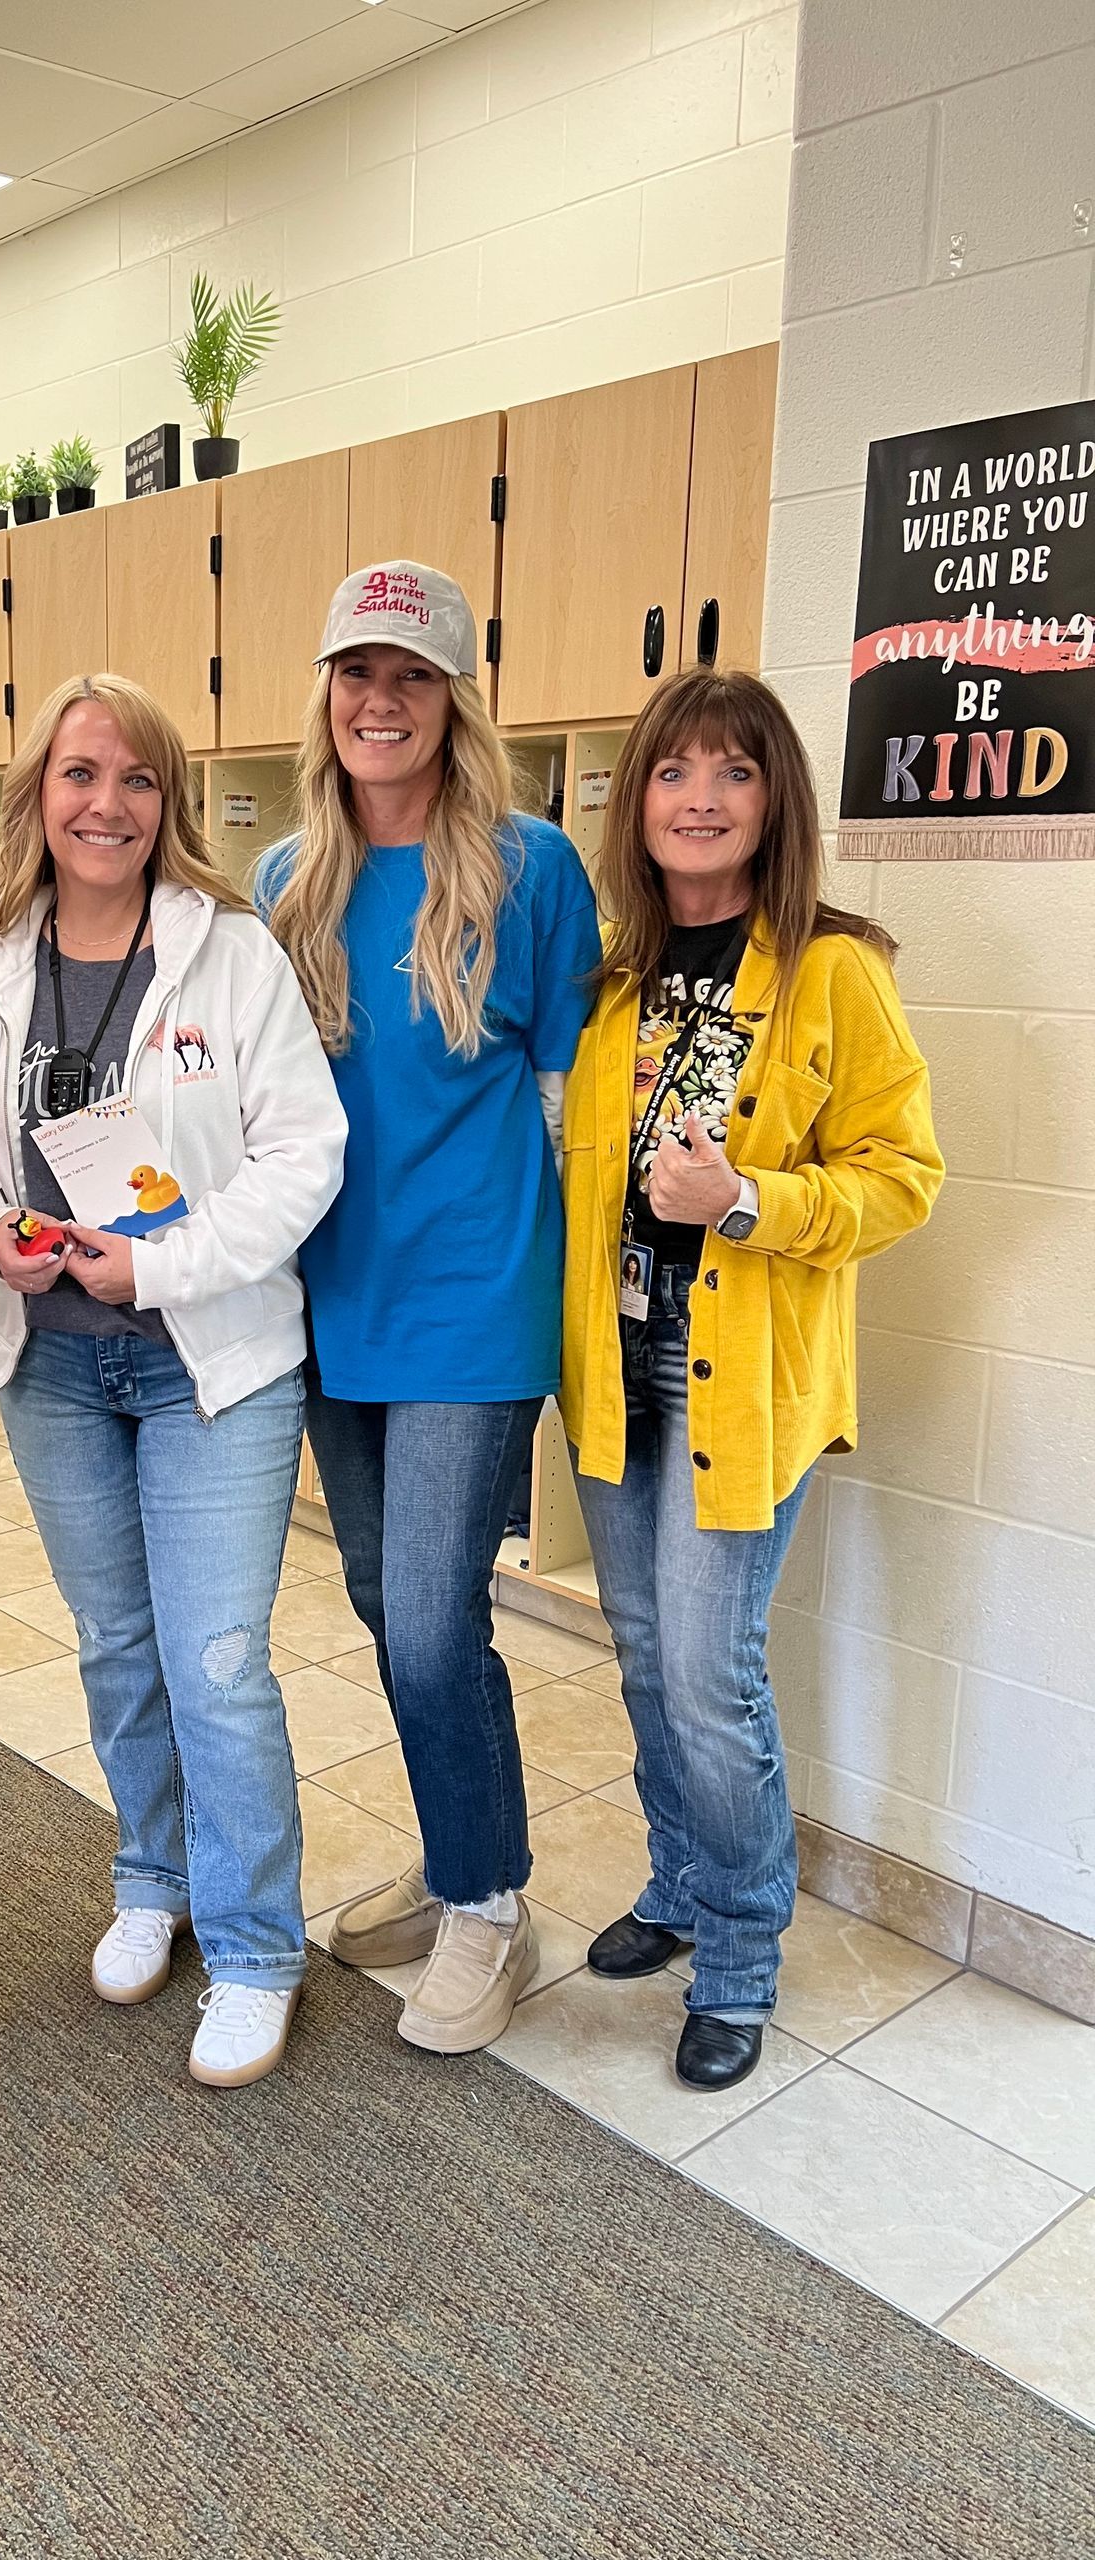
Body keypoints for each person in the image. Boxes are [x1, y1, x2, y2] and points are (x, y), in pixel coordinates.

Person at [0, 674, 346, 2089]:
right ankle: (152, 1878)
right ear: (41, 792)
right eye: (83, 775)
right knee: (116, 1651)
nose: (108, 805)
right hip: (56, 1372)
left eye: (139, 780)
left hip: (210, 1368)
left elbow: (304, 1156)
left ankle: (258, 1942)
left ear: (171, 804)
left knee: (218, 1664)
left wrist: (151, 1271)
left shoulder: (230, 955)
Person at [560, 669, 942, 2090]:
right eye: (672, 773)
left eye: (733, 772)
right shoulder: (612, 980)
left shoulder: (836, 968)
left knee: (714, 1681)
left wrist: (747, 1202)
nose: (700, 799)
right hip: (615, 1369)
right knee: (649, 1659)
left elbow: (904, 1178)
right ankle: (676, 1883)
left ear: (773, 800)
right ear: (640, 802)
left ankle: (738, 1950)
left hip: (741, 1378)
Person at [257, 562, 601, 2056]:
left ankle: (488, 1905)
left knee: (427, 1620)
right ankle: (459, 1848)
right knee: (387, 1605)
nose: (378, 703)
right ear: (326, 697)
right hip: (335, 1300)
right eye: (355, 674)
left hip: (474, 1293)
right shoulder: (287, 882)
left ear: (455, 702)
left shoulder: (531, 869)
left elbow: (572, 1095)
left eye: (410, 677)